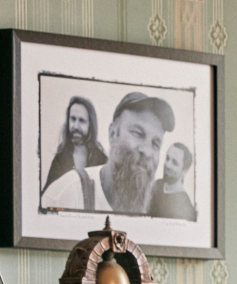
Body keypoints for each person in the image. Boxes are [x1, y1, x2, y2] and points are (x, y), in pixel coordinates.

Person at [42, 93, 189, 219]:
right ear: (113, 134)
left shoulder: (152, 209)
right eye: (138, 133)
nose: (147, 152)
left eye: (155, 144)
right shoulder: (63, 196)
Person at [40, 94, 106, 196]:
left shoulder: (102, 161)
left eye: (82, 121)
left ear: (90, 125)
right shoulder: (60, 159)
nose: (76, 126)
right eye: (73, 119)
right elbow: (47, 197)